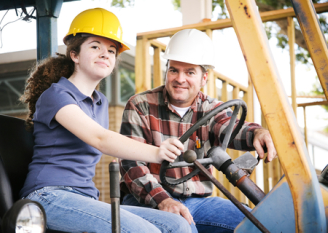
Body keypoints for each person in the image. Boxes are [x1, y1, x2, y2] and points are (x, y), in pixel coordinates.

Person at [19, 8, 194, 233]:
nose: (105, 54)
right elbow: (100, 139)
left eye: (111, 51)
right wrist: (158, 152)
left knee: (176, 224)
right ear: (74, 55)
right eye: (95, 47)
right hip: (47, 196)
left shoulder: (99, 101)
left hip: (85, 197)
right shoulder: (56, 95)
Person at [119, 29, 277, 233]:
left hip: (197, 202)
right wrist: (163, 200)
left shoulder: (211, 109)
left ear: (204, 78)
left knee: (258, 224)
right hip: (146, 199)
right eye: (174, 70)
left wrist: (256, 133)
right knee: (183, 227)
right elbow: (131, 164)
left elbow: (231, 127)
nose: (180, 79)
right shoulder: (140, 105)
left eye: (190, 72)